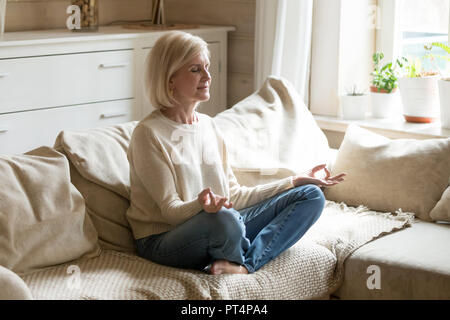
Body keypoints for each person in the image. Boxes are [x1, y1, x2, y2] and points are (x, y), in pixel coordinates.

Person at [126, 31, 346, 275]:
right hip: (163, 239)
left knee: (311, 195)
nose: (208, 76)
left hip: (219, 223)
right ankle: (239, 252)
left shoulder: (209, 126)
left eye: (207, 67)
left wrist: (293, 181)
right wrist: (202, 205)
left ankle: (243, 264)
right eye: (195, 69)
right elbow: (169, 210)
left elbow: (235, 195)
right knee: (225, 219)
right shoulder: (148, 133)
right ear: (170, 80)